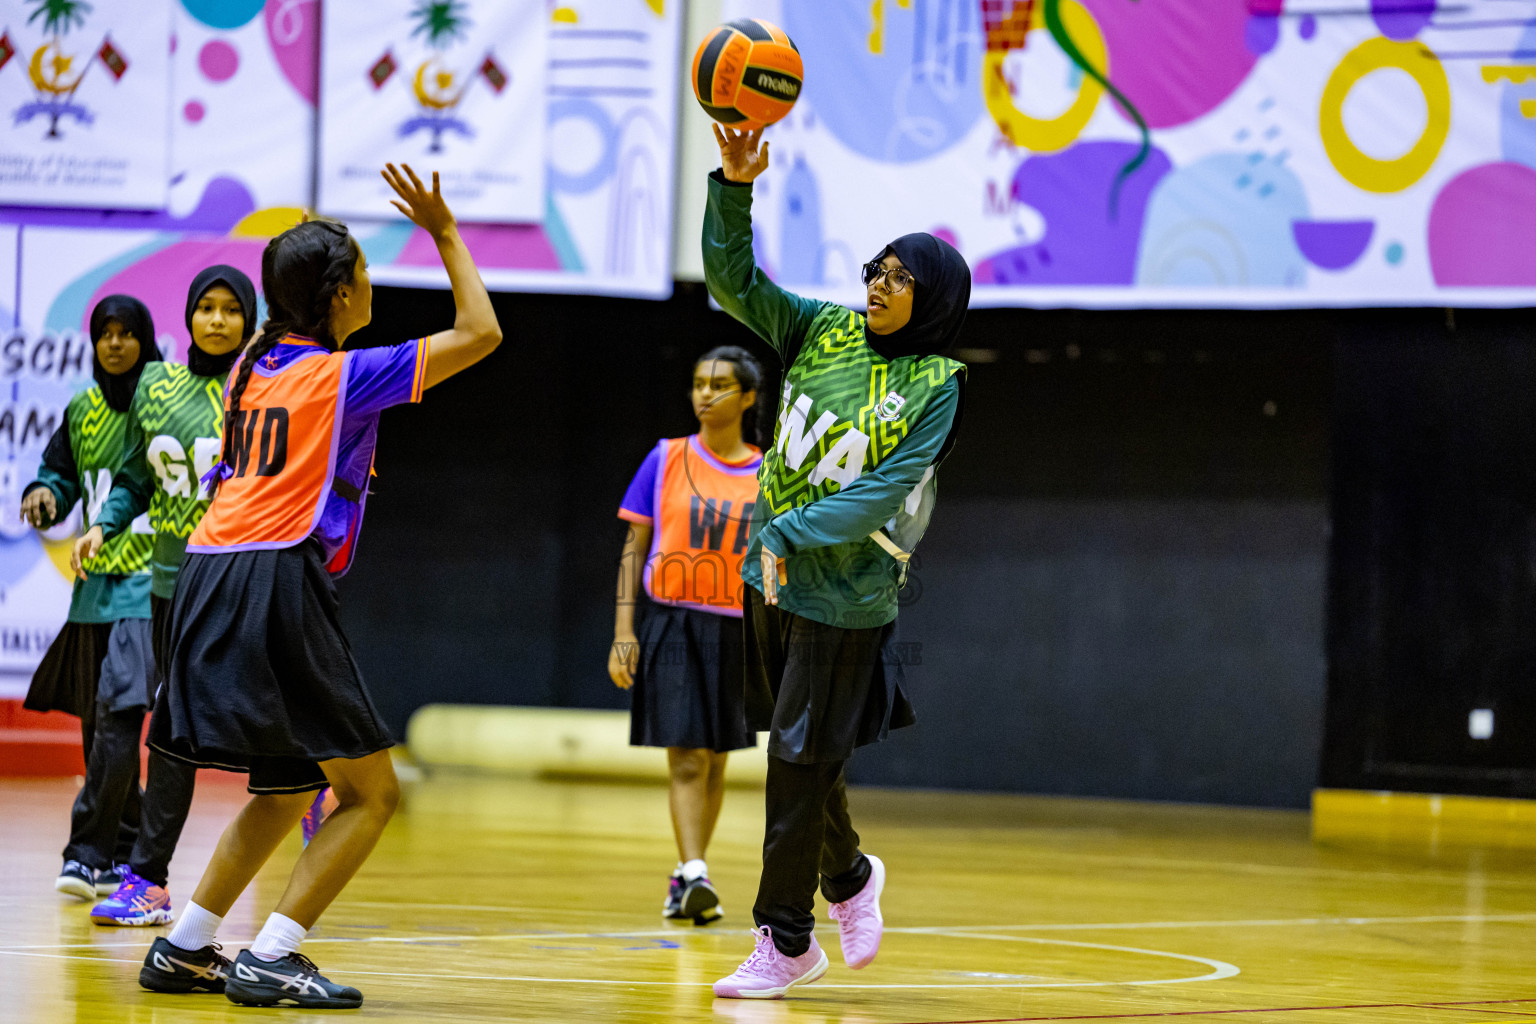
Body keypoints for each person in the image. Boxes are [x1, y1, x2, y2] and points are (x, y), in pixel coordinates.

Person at [131, 164, 502, 1009]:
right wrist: (444, 231)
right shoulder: (340, 374)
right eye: (366, 270)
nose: (374, 281)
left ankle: (186, 946)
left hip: (208, 576)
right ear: (339, 295)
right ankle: (273, 953)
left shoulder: (249, 372)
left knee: (291, 783)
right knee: (372, 793)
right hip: (271, 580)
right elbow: (480, 333)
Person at [702, 126, 971, 999]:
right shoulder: (820, 328)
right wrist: (733, 186)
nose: (878, 285)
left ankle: (786, 941)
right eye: (876, 268)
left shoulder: (937, 384)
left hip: (845, 598)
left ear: (930, 297)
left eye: (899, 276)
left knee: (793, 766)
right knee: (803, 757)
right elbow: (730, 283)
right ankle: (850, 877)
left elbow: (880, 493)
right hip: (769, 584)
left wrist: (785, 529)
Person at [75, 265, 257, 925]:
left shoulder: (262, 387)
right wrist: (104, 522)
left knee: (251, 717)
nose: (215, 320)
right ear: (187, 318)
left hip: (239, 581)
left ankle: (309, 780)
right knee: (172, 728)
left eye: (229, 310)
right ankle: (147, 880)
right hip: (168, 584)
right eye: (204, 307)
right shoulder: (156, 385)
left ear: (248, 320)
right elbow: (133, 473)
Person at [610, 346, 765, 925]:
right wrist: (625, 629)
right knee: (687, 760)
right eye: (699, 382)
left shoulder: (767, 472)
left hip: (739, 630)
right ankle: (696, 871)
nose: (705, 393)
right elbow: (633, 550)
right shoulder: (666, 457)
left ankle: (686, 877)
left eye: (721, 385)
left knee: (719, 759)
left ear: (748, 397)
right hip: (673, 620)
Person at [21, 295, 162, 903]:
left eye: (126, 332)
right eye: (104, 332)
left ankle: (84, 854)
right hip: (94, 586)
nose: (114, 342)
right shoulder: (82, 407)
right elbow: (59, 473)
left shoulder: (165, 400)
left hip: (148, 583)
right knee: (100, 726)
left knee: (121, 716)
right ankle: (124, 851)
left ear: (145, 338)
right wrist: (45, 494)